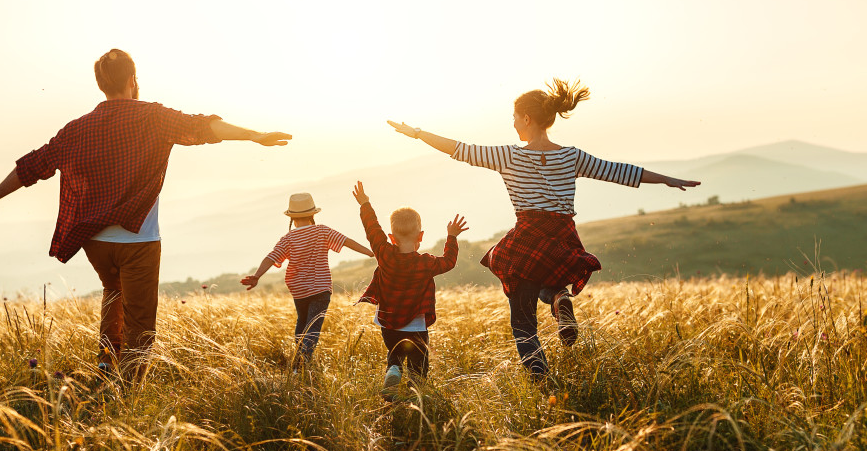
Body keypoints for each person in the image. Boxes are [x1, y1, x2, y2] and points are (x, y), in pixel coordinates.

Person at [0, 49, 292, 383]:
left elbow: (33, 166)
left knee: (113, 294)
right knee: (140, 322)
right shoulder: (153, 117)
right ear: (132, 80)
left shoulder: (76, 129)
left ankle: (105, 368)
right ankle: (127, 392)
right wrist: (254, 135)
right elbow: (204, 127)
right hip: (139, 242)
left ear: (101, 84)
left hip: (95, 243)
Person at [387, 79, 700, 379]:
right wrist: (668, 180)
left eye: (514, 118)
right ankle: (558, 298)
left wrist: (417, 133)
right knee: (546, 280)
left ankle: (540, 378)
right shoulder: (571, 156)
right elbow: (618, 171)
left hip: (528, 236)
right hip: (563, 237)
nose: (512, 124)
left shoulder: (509, 155)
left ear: (526, 118)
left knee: (523, 322)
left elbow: (459, 149)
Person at [351, 181, 468, 399]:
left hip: (388, 322)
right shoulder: (426, 263)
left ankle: (394, 369)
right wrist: (451, 237)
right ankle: (415, 394)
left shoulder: (384, 253)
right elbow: (449, 261)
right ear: (421, 236)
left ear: (391, 237)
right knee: (418, 363)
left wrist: (365, 204)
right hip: (416, 325)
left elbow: (372, 229)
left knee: (395, 353)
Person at [241, 193, 373, 368]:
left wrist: (257, 276)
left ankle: (298, 362)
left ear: (292, 218)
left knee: (302, 323)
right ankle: (302, 364)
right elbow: (346, 241)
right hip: (321, 288)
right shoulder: (322, 231)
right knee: (313, 326)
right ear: (312, 214)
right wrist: (371, 252)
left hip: (299, 290)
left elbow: (271, 257)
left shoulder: (288, 239)